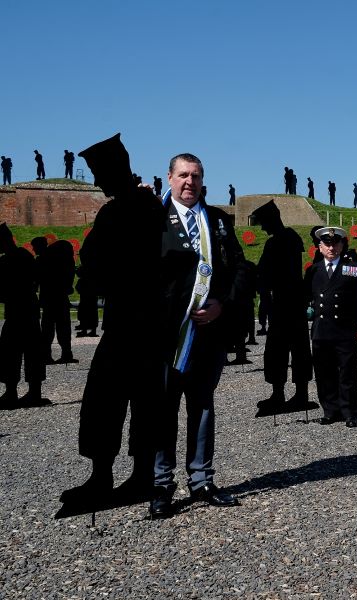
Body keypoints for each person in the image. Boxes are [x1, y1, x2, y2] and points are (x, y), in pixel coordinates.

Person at [61, 133, 165, 507]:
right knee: (105, 397)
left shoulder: (140, 208)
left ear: (116, 171)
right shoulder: (127, 208)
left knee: (138, 399)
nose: (97, 182)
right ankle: (104, 474)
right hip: (125, 318)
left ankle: (137, 476)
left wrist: (97, 275)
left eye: (100, 174)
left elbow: (134, 263)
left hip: (141, 320)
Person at [151, 153, 250, 518]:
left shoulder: (218, 220)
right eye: (182, 175)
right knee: (163, 409)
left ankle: (201, 479)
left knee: (203, 406)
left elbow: (240, 267)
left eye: (195, 175)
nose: (189, 181)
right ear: (169, 178)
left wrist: (223, 303)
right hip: (167, 337)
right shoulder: (153, 219)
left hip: (209, 334)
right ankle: (161, 484)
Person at [252, 200, 314, 416]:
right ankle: (297, 393)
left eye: (263, 223)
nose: (262, 228)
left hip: (284, 303)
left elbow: (265, 272)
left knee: (279, 350)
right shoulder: (292, 238)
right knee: (295, 349)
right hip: (292, 303)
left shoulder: (277, 242)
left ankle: (284, 394)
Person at [306, 227, 357, 427]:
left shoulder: (353, 268)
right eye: (327, 244)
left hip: (345, 330)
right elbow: (304, 298)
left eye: (335, 244)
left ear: (342, 245)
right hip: (321, 330)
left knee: (347, 373)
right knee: (324, 373)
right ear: (320, 247)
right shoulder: (313, 271)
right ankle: (330, 410)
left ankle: (349, 412)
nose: (331, 248)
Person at [0, 223, 47, 408]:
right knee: (32, 351)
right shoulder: (25, 256)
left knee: (10, 351)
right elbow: (37, 279)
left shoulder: (6, 261)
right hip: (29, 309)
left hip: (17, 311)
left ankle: (11, 393)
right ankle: (34, 392)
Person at [32, 236, 77, 364]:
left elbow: (36, 280)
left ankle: (46, 355)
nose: (34, 250)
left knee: (47, 328)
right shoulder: (61, 258)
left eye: (35, 247)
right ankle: (66, 354)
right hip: (61, 297)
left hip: (48, 299)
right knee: (64, 327)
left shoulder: (41, 260)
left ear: (40, 246)